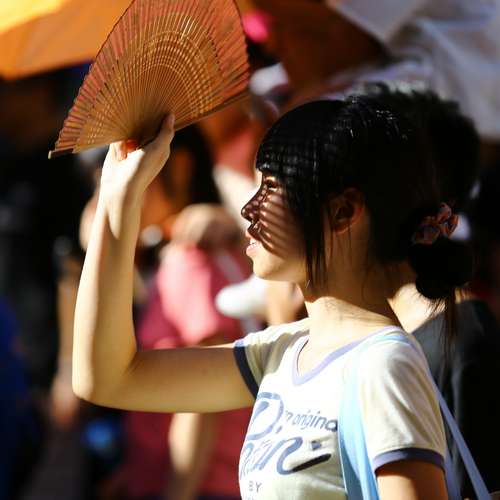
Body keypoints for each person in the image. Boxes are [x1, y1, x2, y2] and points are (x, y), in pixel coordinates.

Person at [73, 90, 475, 498]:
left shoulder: (383, 365)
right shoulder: (281, 352)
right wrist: (118, 195)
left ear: (343, 212)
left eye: (269, 187)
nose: (248, 209)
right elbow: (107, 379)